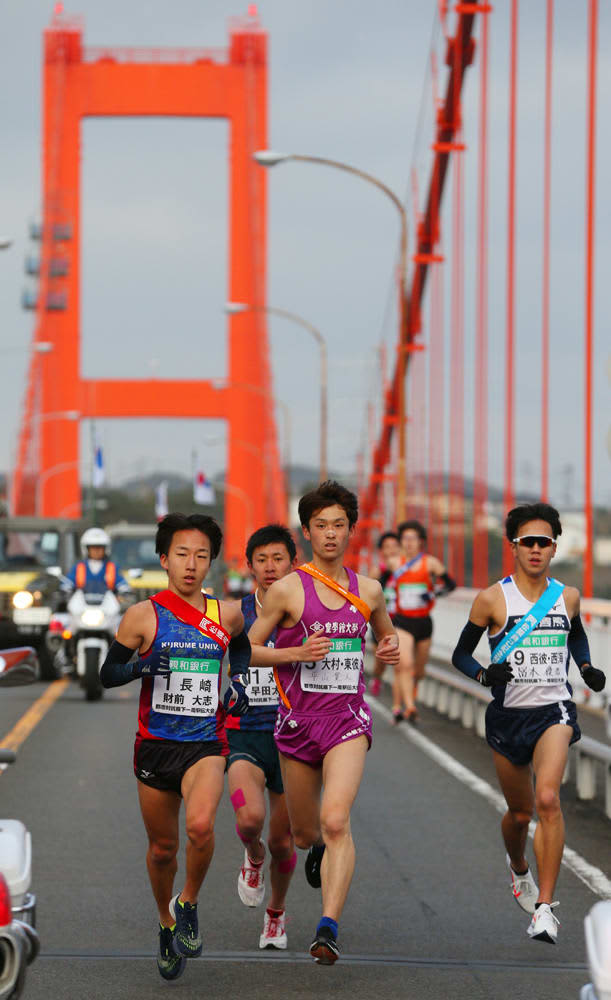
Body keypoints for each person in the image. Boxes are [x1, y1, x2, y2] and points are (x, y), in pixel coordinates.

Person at [248, 480, 400, 964]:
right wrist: (295, 651)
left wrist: (389, 649)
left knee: (337, 820)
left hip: (346, 721)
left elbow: (386, 638)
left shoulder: (370, 591)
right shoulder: (289, 589)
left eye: (339, 525)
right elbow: (244, 650)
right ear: (308, 533)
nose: (330, 534)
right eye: (320, 526)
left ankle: (327, 926)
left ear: (351, 530)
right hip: (296, 723)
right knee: (305, 834)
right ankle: (316, 850)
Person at [98, 513, 251, 981]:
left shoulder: (225, 613)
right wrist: (143, 668)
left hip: (206, 743)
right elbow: (107, 674)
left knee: (201, 827)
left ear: (211, 563)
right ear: (164, 559)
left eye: (201, 556)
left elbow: (241, 647)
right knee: (162, 848)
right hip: (155, 746)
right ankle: (166, 924)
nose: (191, 564)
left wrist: (240, 683)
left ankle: (187, 903)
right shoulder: (143, 615)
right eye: (182, 554)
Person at [451, 502, 606, 945]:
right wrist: (484, 675)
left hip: (553, 710)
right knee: (519, 814)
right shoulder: (492, 599)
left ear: (555, 547)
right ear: (514, 547)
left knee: (547, 798)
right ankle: (519, 868)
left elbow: (574, 632)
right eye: (528, 542)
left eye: (544, 542)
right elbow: (462, 653)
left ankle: (545, 908)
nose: (536, 549)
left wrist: (587, 666)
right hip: (507, 716)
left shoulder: (567, 595)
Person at [226, 524, 298, 949]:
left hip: (293, 739)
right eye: (262, 560)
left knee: (283, 841)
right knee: (250, 820)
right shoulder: (235, 615)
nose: (270, 567)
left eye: (279, 559)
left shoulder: (307, 612)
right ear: (249, 565)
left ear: (293, 563)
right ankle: (252, 855)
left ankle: (276, 913)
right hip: (244, 736)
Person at [390, 520, 455, 723]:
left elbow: (450, 585)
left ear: (420, 542)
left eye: (413, 539)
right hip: (402, 621)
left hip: (424, 622)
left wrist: (433, 592)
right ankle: (407, 707)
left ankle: (402, 702)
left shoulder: (431, 563)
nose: (409, 543)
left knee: (418, 671)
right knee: (405, 665)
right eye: (405, 539)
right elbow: (379, 584)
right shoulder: (394, 563)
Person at [369, 531, 402, 697]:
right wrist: (388, 572)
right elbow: (371, 593)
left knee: (404, 662)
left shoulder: (407, 568)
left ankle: (401, 700)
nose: (391, 550)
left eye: (395, 546)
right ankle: (377, 677)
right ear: (381, 551)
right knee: (381, 659)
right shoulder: (377, 570)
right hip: (381, 621)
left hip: (401, 619)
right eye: (387, 547)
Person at [61, 527, 131, 596]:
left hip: (108, 605)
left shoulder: (112, 567)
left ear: (106, 549)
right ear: (86, 549)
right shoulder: (79, 567)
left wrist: (124, 590)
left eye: (100, 548)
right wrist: (65, 588)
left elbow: (121, 583)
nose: (97, 551)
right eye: (93, 548)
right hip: (81, 604)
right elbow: (68, 582)